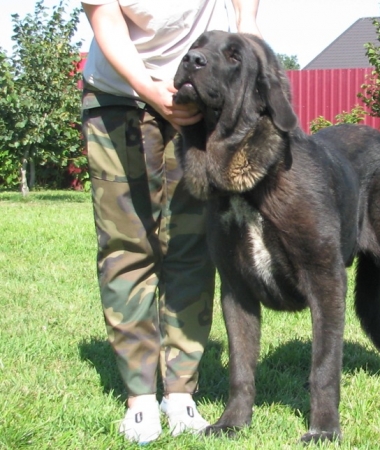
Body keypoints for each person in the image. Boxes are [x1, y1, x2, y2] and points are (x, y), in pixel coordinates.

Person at [80, 0, 261, 444]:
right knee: (128, 245)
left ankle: (179, 393)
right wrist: (148, 88)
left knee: (194, 244)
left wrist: (248, 31)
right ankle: (140, 399)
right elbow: (102, 13)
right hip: (118, 96)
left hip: (200, 99)